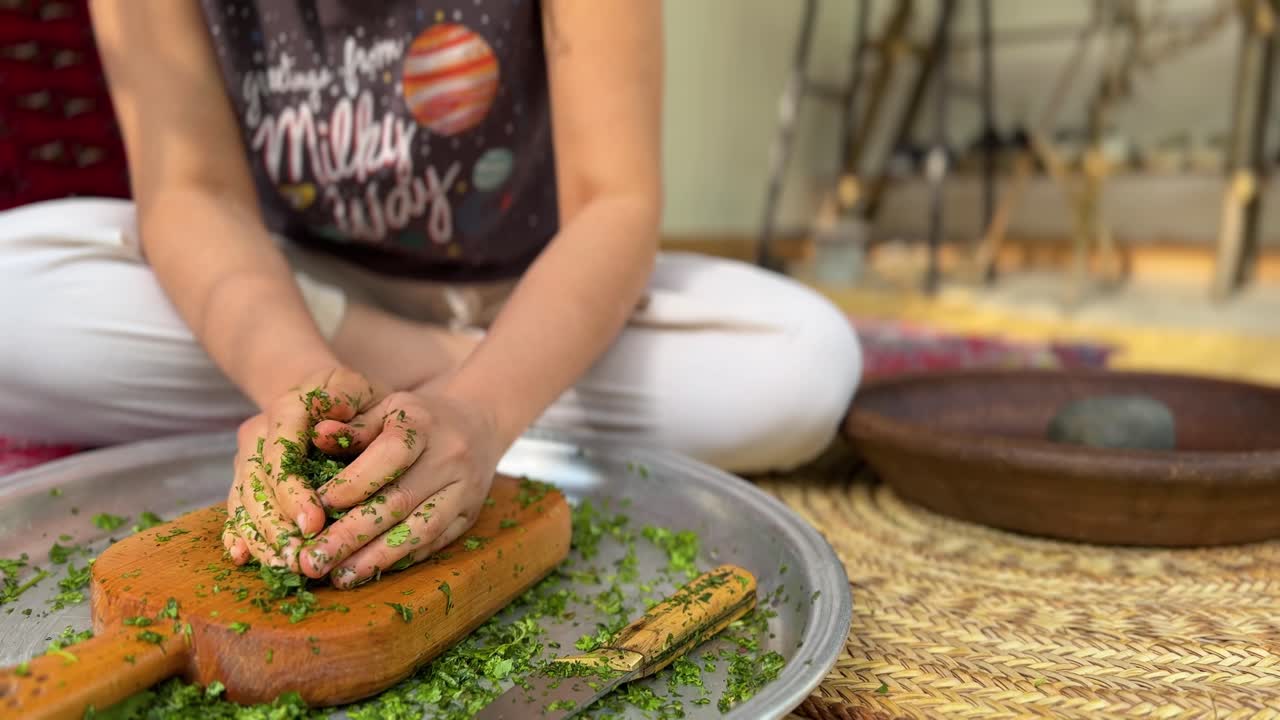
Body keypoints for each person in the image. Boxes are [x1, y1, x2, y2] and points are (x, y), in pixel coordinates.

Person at [0, 1, 861, 587]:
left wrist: (482, 411)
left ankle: (454, 411)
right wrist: (299, 384)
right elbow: (191, 195)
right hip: (300, 297)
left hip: (532, 292)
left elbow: (616, 205)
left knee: (802, 366)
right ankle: (421, 393)